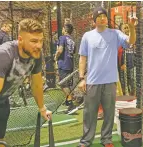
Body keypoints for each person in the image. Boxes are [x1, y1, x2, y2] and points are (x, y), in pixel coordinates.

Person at [0, 18, 52, 147]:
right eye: (34, 41)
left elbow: (36, 84)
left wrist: (42, 108)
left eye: (41, 41)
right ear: (20, 39)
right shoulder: (3, 54)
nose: (39, 46)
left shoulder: (36, 54)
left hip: (2, 99)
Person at [78, 7, 136, 147]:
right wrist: (81, 78)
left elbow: (130, 42)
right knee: (89, 114)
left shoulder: (115, 34)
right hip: (92, 82)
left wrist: (132, 27)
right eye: (99, 17)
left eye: (104, 16)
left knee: (109, 113)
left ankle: (107, 140)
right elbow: (82, 58)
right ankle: (86, 141)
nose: (102, 18)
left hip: (110, 81)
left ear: (106, 19)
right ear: (94, 20)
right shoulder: (87, 36)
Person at [54, 23, 77, 115]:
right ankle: (68, 101)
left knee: (63, 85)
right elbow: (73, 51)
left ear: (65, 29)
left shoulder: (62, 38)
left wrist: (55, 57)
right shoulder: (72, 40)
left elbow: (60, 50)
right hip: (70, 64)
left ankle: (71, 104)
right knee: (66, 84)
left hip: (63, 64)